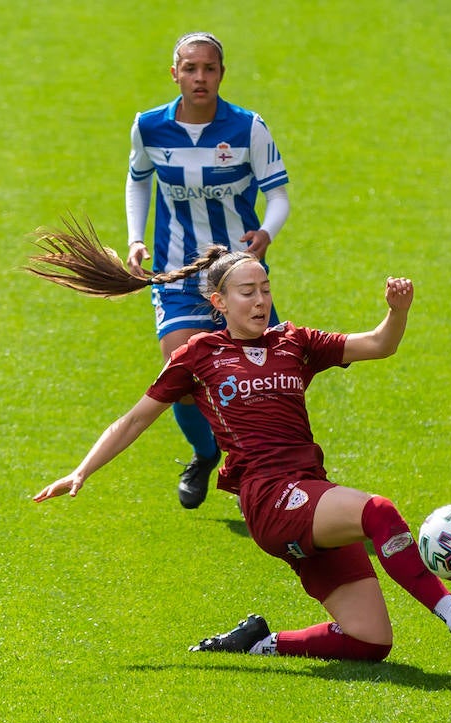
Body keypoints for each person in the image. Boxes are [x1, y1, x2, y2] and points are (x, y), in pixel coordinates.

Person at [27, 222, 451, 660]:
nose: (260, 301)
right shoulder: (200, 355)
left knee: (370, 641)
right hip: (270, 499)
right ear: (219, 302)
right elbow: (133, 421)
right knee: (377, 512)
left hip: (309, 494)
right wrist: (81, 471)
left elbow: (380, 344)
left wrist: (397, 312)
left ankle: (259, 643)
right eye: (247, 292)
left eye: (266, 290)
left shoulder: (294, 343)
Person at [127, 31, 292, 509]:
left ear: (221, 73)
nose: (200, 77)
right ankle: (205, 454)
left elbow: (278, 194)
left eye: (210, 69)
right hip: (177, 271)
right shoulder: (149, 127)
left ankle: (265, 477)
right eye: (190, 68)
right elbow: (138, 183)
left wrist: (266, 234)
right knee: (179, 373)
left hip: (237, 272)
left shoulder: (247, 128)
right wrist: (136, 239)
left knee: (266, 378)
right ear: (174, 73)